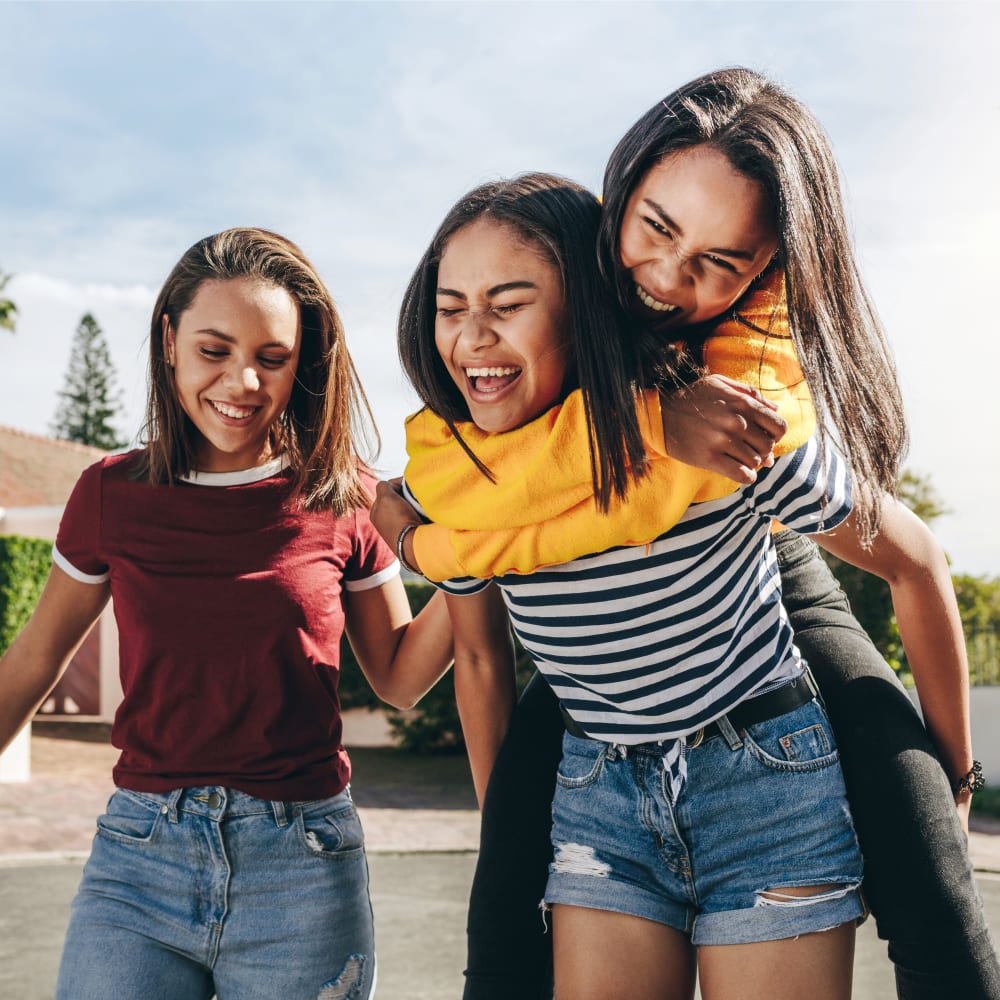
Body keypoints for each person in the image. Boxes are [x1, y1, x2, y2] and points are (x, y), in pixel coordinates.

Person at [374, 69, 998, 1000]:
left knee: (935, 893)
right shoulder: (478, 460)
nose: (668, 282)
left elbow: (914, 558)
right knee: (502, 933)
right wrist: (407, 542)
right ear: (621, 200)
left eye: (720, 261)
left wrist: (953, 770)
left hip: (763, 744)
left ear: (766, 270)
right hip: (603, 776)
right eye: (657, 230)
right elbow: (470, 658)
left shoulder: (731, 415)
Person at [0, 227, 454, 1000]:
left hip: (303, 867)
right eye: (214, 350)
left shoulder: (346, 495)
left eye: (271, 358)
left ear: (301, 362)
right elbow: (34, 662)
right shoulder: (110, 494)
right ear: (170, 340)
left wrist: (489, 563)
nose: (242, 381)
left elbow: (402, 676)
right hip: (138, 860)